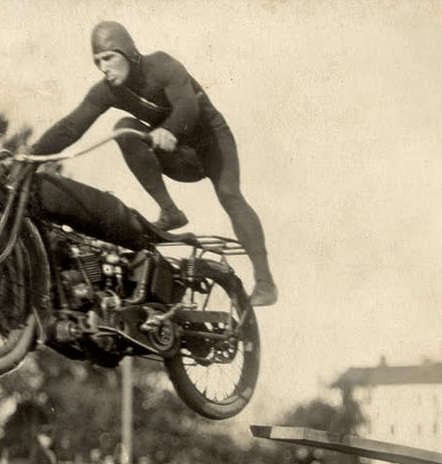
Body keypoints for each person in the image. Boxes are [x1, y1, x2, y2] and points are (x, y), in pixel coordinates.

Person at [28, 20, 278, 307]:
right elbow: (71, 126)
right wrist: (31, 156)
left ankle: (265, 282)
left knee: (230, 195)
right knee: (124, 129)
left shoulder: (162, 65)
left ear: (128, 52)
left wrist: (170, 129)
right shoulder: (108, 90)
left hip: (211, 143)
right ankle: (170, 211)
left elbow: (188, 106)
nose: (104, 68)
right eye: (98, 62)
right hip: (177, 155)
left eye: (108, 57)